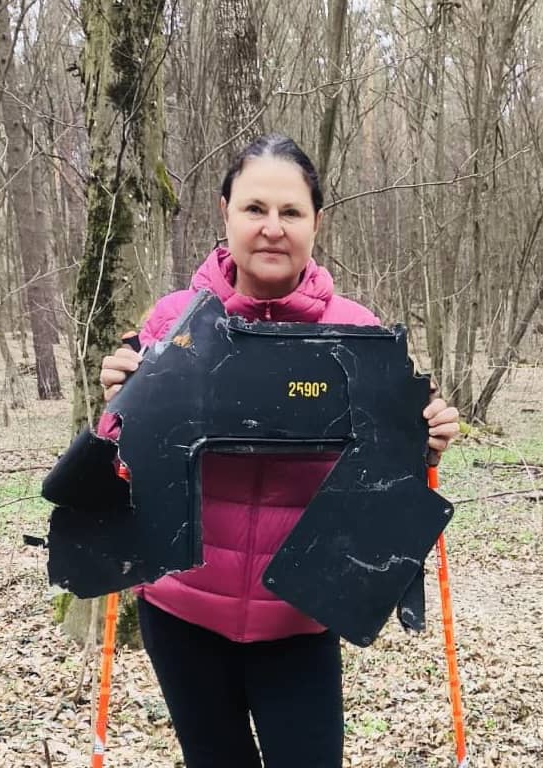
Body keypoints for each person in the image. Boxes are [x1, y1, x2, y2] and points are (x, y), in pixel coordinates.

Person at [98, 134, 459, 768]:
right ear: (225, 213)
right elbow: (123, 464)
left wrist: (422, 439)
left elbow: (381, 477)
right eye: (254, 208)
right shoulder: (172, 321)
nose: (272, 228)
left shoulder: (358, 332)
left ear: (316, 221)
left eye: (290, 212)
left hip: (299, 615)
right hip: (182, 609)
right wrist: (119, 407)